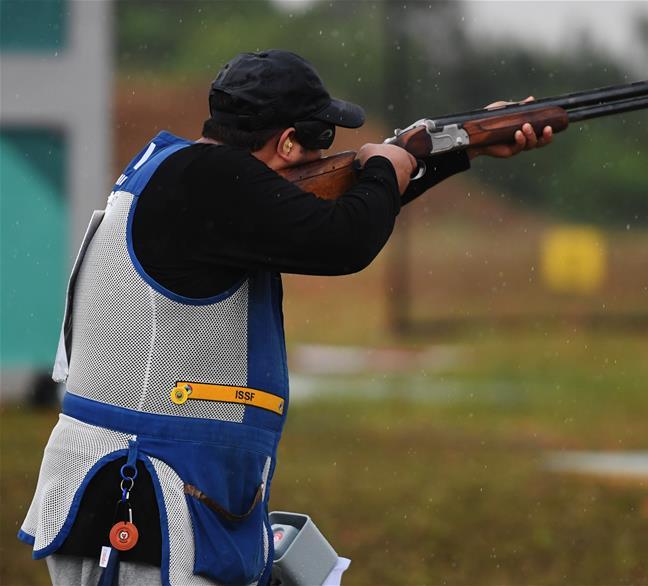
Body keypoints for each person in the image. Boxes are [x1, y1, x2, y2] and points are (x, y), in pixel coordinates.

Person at [17, 49, 552, 586]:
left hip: (145, 496)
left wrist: (464, 147)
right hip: (150, 504)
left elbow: (336, 210)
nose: (326, 153)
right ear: (288, 143)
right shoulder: (214, 182)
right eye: (319, 140)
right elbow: (343, 239)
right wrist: (386, 165)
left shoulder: (183, 174)